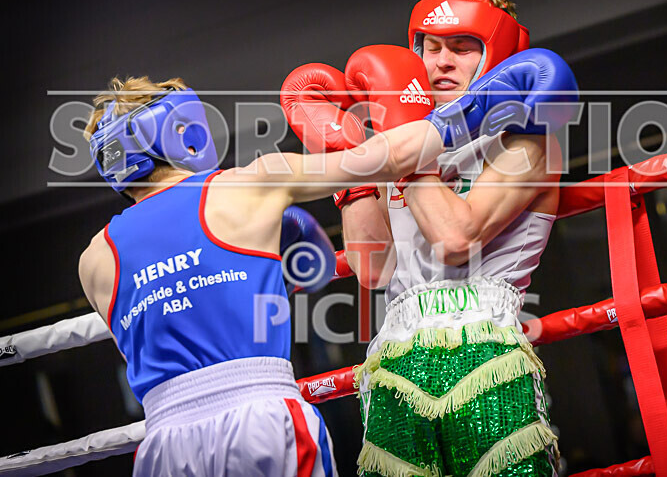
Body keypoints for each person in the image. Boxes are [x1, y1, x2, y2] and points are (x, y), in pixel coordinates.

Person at [80, 39, 569, 476]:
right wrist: (472, 105)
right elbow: (387, 159)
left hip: (164, 441)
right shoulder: (249, 183)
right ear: (183, 133)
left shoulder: (93, 259)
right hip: (260, 414)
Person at [333, 0, 570, 476]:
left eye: (462, 49)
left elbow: (457, 237)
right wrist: (345, 155)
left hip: (487, 355)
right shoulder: (395, 142)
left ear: (498, 55)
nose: (440, 62)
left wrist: (408, 149)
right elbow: (372, 267)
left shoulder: (527, 139)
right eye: (431, 47)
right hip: (395, 361)